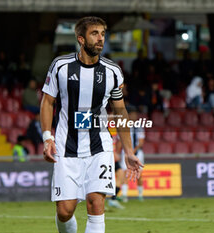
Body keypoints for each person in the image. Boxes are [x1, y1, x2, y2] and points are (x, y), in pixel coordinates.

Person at [40, 16, 143, 233]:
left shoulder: (112, 71)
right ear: (80, 38)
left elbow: (120, 111)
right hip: (66, 147)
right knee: (64, 211)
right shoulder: (61, 66)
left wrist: (129, 151)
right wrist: (47, 137)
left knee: (96, 203)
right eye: (94, 33)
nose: (100, 39)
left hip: (99, 146)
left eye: (103, 34)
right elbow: (48, 102)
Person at [118, 106, 145, 202]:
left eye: (135, 114)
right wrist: (126, 153)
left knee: (139, 174)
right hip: (125, 153)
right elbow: (120, 141)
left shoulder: (139, 126)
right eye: (132, 114)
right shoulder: (124, 126)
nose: (135, 116)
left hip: (137, 153)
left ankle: (140, 195)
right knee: (126, 173)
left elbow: (141, 142)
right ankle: (124, 195)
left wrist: (132, 152)